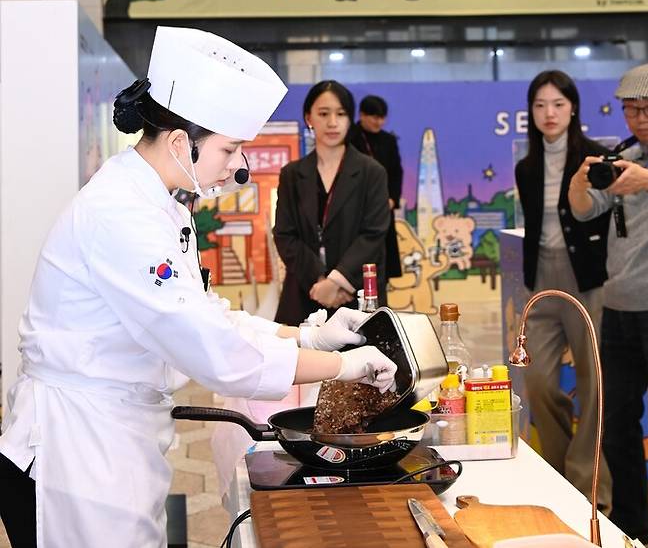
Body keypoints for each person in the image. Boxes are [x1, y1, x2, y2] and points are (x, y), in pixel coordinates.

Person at [0, 28, 396, 548]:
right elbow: (214, 351)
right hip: (75, 452)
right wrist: (344, 366)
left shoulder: (160, 203)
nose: (239, 167)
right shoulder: (120, 215)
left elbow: (211, 315)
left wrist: (307, 337)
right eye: (230, 149)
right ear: (182, 142)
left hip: (113, 439)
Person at [569, 61, 648, 545]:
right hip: (620, 310)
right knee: (619, 423)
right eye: (630, 110)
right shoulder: (626, 155)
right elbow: (585, 211)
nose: (639, 120)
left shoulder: (643, 168)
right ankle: (632, 527)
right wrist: (582, 179)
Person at [514, 70, 612, 506]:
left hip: (589, 281)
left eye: (557, 104)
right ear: (530, 113)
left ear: (573, 107)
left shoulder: (595, 159)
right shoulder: (525, 167)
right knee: (535, 381)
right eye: (539, 105)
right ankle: (556, 478)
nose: (549, 113)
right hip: (543, 282)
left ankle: (591, 495)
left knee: (593, 388)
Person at [273, 80, 390, 325]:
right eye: (323, 114)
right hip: (306, 292)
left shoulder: (372, 172)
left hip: (357, 293)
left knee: (366, 361)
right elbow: (285, 235)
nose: (333, 122)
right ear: (309, 118)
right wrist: (319, 281)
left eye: (341, 114)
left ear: (350, 119)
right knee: (304, 360)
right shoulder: (292, 174)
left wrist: (336, 281)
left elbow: (373, 235)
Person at [348, 94, 403, 279]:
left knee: (383, 264)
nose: (379, 122)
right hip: (356, 209)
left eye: (382, 117)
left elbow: (396, 172)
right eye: (374, 117)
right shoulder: (349, 137)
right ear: (362, 115)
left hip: (383, 208)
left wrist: (392, 199)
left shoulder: (388, 140)